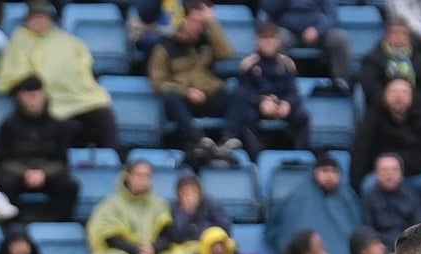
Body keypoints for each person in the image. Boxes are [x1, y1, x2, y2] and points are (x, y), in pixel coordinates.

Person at [0, 0, 119, 150]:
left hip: (79, 95)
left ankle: (111, 157)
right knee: (59, 125)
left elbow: (84, 62)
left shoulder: (67, 40)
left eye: (43, 17)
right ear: (27, 20)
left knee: (103, 113)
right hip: (48, 98)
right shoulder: (19, 41)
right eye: (35, 17)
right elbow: (12, 73)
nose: (39, 21)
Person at [78, 159, 181, 254]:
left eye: (146, 176)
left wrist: (153, 248)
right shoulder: (111, 204)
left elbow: (168, 234)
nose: (142, 179)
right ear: (128, 176)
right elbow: (109, 236)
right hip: (120, 253)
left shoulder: (160, 204)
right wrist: (135, 250)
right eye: (138, 175)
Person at [148, 0, 235, 158]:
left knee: (239, 93)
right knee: (171, 97)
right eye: (196, 22)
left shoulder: (207, 41)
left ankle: (229, 138)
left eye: (202, 23)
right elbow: (158, 82)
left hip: (209, 96)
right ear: (184, 20)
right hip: (183, 101)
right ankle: (199, 140)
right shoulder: (165, 47)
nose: (199, 27)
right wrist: (186, 92)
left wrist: (211, 23)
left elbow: (226, 54)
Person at [0, 74, 79, 222]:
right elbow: (2, 159)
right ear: (20, 97)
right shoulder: (8, 126)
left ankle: (57, 223)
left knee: (69, 186)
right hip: (17, 173)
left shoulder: (59, 126)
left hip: (47, 174)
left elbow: (61, 160)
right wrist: (24, 173)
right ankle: (14, 226)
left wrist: (43, 173)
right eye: (28, 94)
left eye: (36, 94)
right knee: (4, 183)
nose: (33, 99)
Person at [230, 20, 312, 159]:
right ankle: (254, 158)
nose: (268, 44)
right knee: (246, 115)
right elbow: (244, 91)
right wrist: (260, 102)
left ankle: (300, 156)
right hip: (258, 105)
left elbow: (293, 91)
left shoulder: (286, 64)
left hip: (281, 105)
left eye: (271, 40)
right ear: (257, 41)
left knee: (302, 116)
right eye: (264, 40)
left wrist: (287, 103)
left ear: (278, 41)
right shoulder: (248, 64)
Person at [350, 76, 421, 191]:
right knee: (368, 186)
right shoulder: (373, 118)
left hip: (416, 177)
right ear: (384, 95)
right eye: (393, 92)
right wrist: (356, 185)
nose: (399, 96)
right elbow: (361, 151)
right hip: (383, 177)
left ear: (412, 97)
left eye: (404, 92)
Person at [265, 150, 363, 254]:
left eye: (334, 171)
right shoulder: (298, 197)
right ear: (315, 172)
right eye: (324, 170)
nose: (329, 175)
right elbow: (278, 229)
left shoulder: (349, 197)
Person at [258, 0, 354, 91]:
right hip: (288, 30)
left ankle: (340, 83)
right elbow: (269, 9)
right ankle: (278, 84)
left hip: (317, 32)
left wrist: (317, 30)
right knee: (277, 40)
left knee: (341, 39)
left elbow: (332, 15)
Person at [362, 152, 421, 252]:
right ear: (376, 174)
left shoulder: (412, 197)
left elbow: (419, 229)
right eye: (384, 170)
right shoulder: (368, 197)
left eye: (394, 170)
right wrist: (385, 252)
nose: (389, 174)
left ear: (402, 174)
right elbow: (367, 228)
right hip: (379, 249)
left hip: (408, 248)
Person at [159, 172, 233, 254]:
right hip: (184, 252)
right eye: (185, 190)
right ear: (178, 193)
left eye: (193, 189)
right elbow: (175, 237)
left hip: (210, 247)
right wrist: (187, 213)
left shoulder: (211, 203)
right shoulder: (173, 208)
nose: (189, 194)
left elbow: (225, 228)